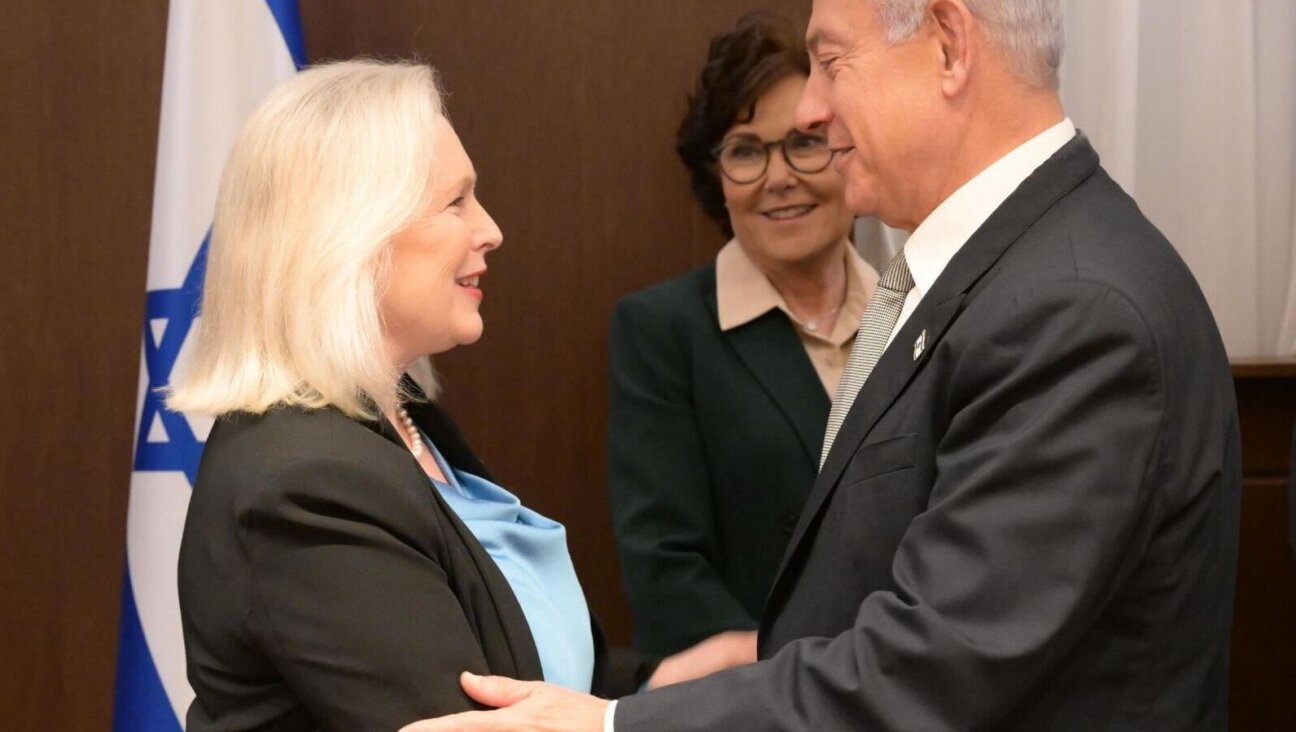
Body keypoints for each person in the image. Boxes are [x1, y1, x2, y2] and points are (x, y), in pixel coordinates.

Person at [403, 0, 1242, 730]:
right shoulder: (1013, 276)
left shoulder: (1069, 309)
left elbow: (934, 671)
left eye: (833, 62)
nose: (813, 105)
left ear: (949, 44)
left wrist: (617, 726)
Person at [167, 60, 752, 731]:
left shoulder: (404, 425)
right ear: (351, 235)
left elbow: (518, 667)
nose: (491, 229)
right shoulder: (306, 482)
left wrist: (666, 684)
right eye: (456, 202)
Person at [608, 11, 877, 658]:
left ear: (851, 153)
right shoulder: (662, 331)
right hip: (752, 698)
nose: (779, 177)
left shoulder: (920, 313)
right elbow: (665, 567)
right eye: (746, 151)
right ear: (717, 180)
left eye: (806, 141)